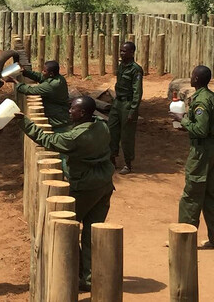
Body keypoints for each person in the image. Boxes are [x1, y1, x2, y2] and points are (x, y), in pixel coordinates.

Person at [17, 96, 115, 292]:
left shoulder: (75, 137)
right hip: (105, 184)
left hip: (85, 187)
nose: (70, 111)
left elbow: (47, 140)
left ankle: (71, 274)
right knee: (92, 232)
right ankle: (89, 277)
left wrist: (23, 122)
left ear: (84, 113)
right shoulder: (102, 127)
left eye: (74, 110)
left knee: (66, 229)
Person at [170, 65, 214, 248]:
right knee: (210, 196)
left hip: (201, 153)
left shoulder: (202, 101)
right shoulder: (209, 97)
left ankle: (183, 240)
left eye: (193, 75)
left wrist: (183, 120)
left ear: (197, 79)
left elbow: (201, 130)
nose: (191, 77)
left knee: (192, 195)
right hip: (210, 151)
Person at [108, 41, 143, 175]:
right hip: (117, 102)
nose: (121, 53)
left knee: (127, 135)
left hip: (128, 105)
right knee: (111, 130)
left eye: (124, 51)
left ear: (132, 52)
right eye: (121, 51)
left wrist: (133, 110)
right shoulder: (121, 66)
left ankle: (128, 164)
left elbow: (137, 92)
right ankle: (112, 159)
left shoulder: (135, 69)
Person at [12, 60, 71, 132]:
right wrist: (25, 72)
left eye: (44, 71)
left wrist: (15, 82)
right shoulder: (58, 78)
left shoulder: (51, 86)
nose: (42, 72)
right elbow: (40, 77)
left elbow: (30, 90)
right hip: (59, 113)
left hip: (58, 120)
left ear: (51, 74)